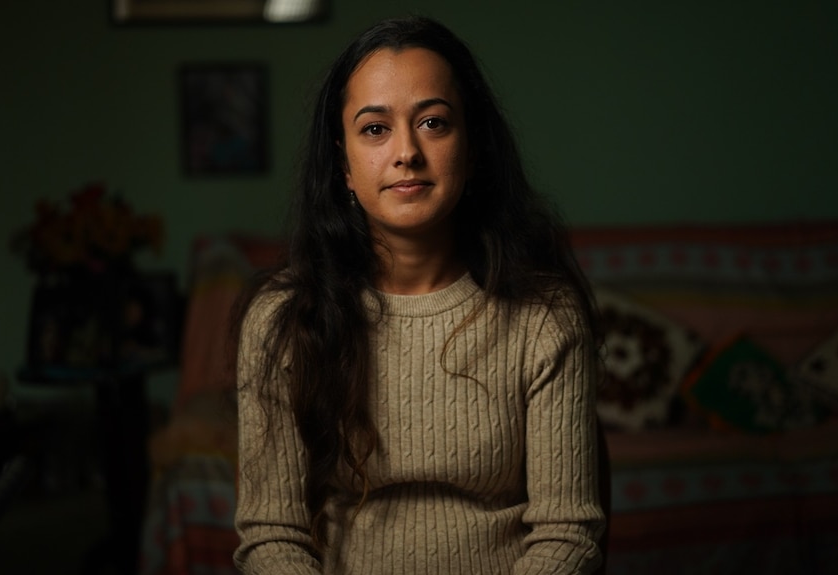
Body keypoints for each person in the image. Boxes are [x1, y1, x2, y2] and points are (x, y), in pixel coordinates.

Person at [232, 15, 606, 574]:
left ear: (472, 150)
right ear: (344, 166)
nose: (406, 151)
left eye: (433, 122)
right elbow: (271, 535)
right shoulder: (283, 319)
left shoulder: (544, 316)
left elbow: (567, 534)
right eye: (375, 129)